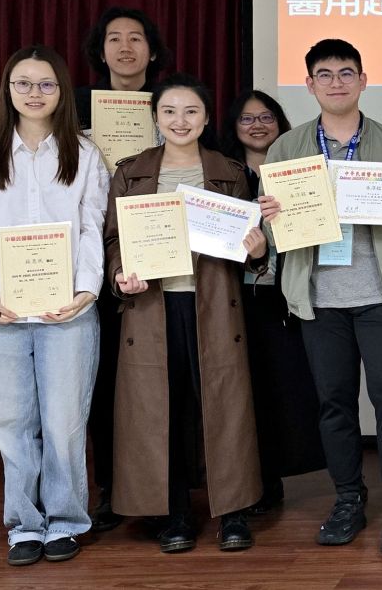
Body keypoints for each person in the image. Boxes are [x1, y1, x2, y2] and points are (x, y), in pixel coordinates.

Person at [259, 39, 382, 557]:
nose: (337, 82)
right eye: (325, 74)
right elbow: (275, 234)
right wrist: (269, 219)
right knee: (334, 405)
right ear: (310, 84)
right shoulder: (286, 149)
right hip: (318, 299)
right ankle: (348, 499)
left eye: (346, 72)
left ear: (363, 80)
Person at [0, 46, 107, 565]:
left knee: (64, 422)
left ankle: (65, 522)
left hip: (69, 312)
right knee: (11, 424)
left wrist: (86, 290)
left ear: (62, 92)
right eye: (23, 83)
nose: (34, 93)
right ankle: (24, 526)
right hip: (2, 313)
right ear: (8, 90)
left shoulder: (84, 154)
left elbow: (93, 226)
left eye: (46, 84)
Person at [104, 73, 266, 553]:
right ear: (155, 117)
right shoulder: (130, 172)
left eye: (191, 111)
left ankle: (232, 514)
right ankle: (174, 514)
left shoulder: (229, 172)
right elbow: (113, 239)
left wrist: (257, 250)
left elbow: (251, 243)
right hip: (152, 306)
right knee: (161, 409)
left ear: (207, 118)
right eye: (170, 111)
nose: (180, 120)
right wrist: (120, 272)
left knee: (224, 407)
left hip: (214, 305)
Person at [75, 6, 173, 533]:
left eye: (137, 38)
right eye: (114, 38)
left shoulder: (172, 104)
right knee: (105, 382)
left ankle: (165, 489)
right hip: (93, 256)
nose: (126, 47)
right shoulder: (76, 109)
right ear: (101, 50)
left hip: (159, 251)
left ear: (152, 51)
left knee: (157, 380)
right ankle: (112, 491)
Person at [219, 90, 326, 514]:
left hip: (288, 294)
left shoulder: (299, 168)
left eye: (266, 117)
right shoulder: (223, 174)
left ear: (280, 122)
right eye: (247, 119)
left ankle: (273, 476)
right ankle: (248, 479)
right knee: (243, 389)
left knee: (283, 387)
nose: (257, 125)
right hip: (236, 296)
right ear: (233, 126)